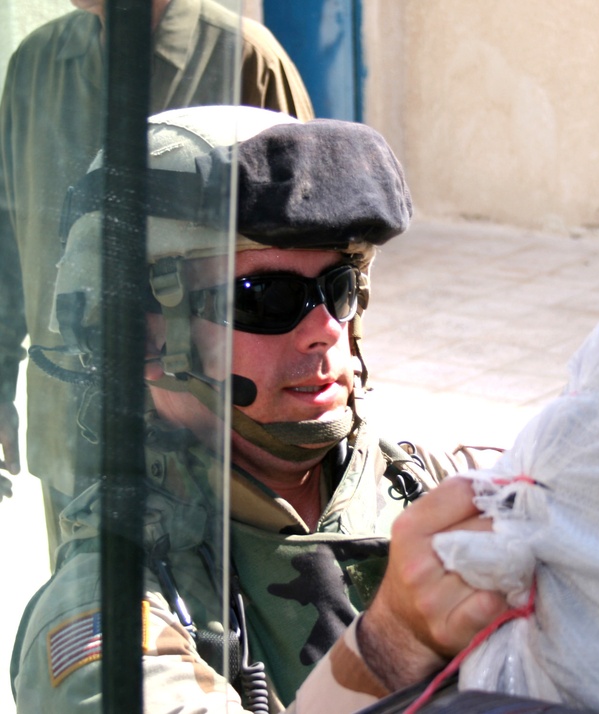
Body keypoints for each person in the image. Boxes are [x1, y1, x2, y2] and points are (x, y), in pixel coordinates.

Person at [10, 105, 504, 712]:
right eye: (267, 296)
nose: (324, 329)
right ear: (141, 336)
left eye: (339, 288)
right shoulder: (106, 614)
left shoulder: (433, 480)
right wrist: (388, 647)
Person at [0, 0, 314, 552]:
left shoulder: (241, 57)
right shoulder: (37, 63)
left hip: (209, 440)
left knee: (216, 634)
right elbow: (7, 238)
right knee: (88, 626)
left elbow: (315, 248)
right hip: (72, 434)